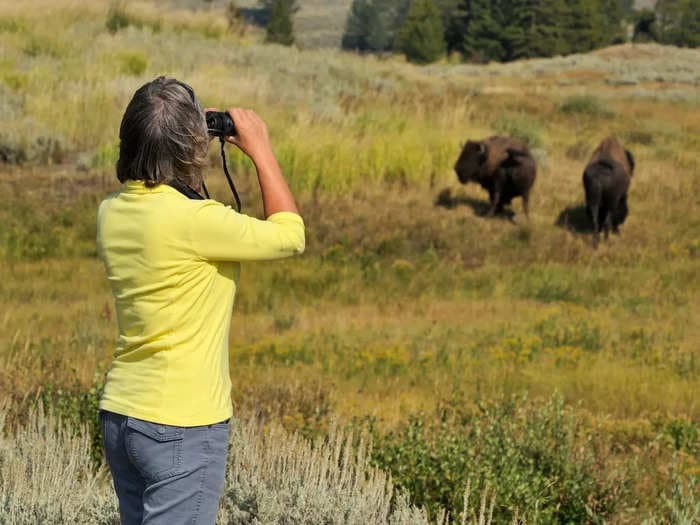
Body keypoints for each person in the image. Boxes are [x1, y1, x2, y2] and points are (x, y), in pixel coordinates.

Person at [96, 76, 305, 524]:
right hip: (182, 423)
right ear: (193, 146)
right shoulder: (196, 222)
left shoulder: (111, 211)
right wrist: (260, 148)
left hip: (122, 414)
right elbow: (291, 236)